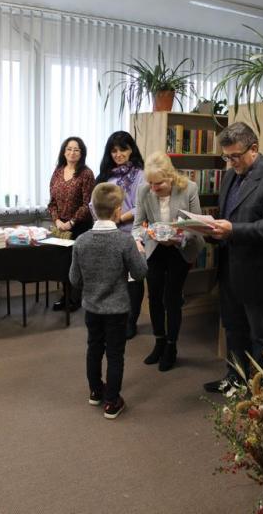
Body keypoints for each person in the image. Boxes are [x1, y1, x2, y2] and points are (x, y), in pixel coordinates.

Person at [201, 122, 263, 393]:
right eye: (226, 157)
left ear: (254, 148)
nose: (231, 163)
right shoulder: (231, 175)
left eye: (235, 156)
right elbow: (228, 215)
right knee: (233, 328)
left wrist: (232, 230)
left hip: (261, 272)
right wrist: (209, 229)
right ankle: (235, 379)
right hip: (231, 268)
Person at [69, 183, 147, 419]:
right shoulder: (124, 241)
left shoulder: (81, 241)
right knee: (115, 354)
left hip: (92, 308)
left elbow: (74, 279)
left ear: (93, 209)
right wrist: (141, 251)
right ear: (117, 210)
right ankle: (112, 401)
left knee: (94, 348)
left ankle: (95, 391)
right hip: (117, 309)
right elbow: (140, 273)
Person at [133, 151, 204, 372]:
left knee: (171, 298)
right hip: (155, 247)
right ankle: (159, 342)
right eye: (151, 183)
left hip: (180, 248)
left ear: (170, 176)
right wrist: (142, 237)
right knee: (154, 296)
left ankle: (171, 346)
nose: (153, 188)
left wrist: (178, 237)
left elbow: (197, 225)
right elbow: (138, 225)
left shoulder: (189, 188)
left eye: (159, 184)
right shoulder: (144, 190)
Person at [95, 131, 145, 339]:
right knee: (114, 279)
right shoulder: (106, 175)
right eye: (114, 150)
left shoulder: (140, 175)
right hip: (108, 233)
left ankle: (131, 321)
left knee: (133, 280)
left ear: (131, 150)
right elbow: (94, 202)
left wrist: (119, 218)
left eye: (123, 149)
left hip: (131, 233)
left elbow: (141, 206)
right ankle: (115, 317)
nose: (118, 154)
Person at [48, 136, 95, 311]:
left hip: (80, 226)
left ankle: (75, 299)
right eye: (69, 149)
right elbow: (52, 202)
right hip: (60, 227)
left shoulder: (86, 173)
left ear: (81, 153)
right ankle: (65, 296)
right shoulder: (58, 171)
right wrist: (57, 220)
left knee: (76, 264)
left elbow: (87, 204)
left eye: (76, 149)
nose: (72, 152)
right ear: (64, 151)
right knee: (63, 264)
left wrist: (71, 222)